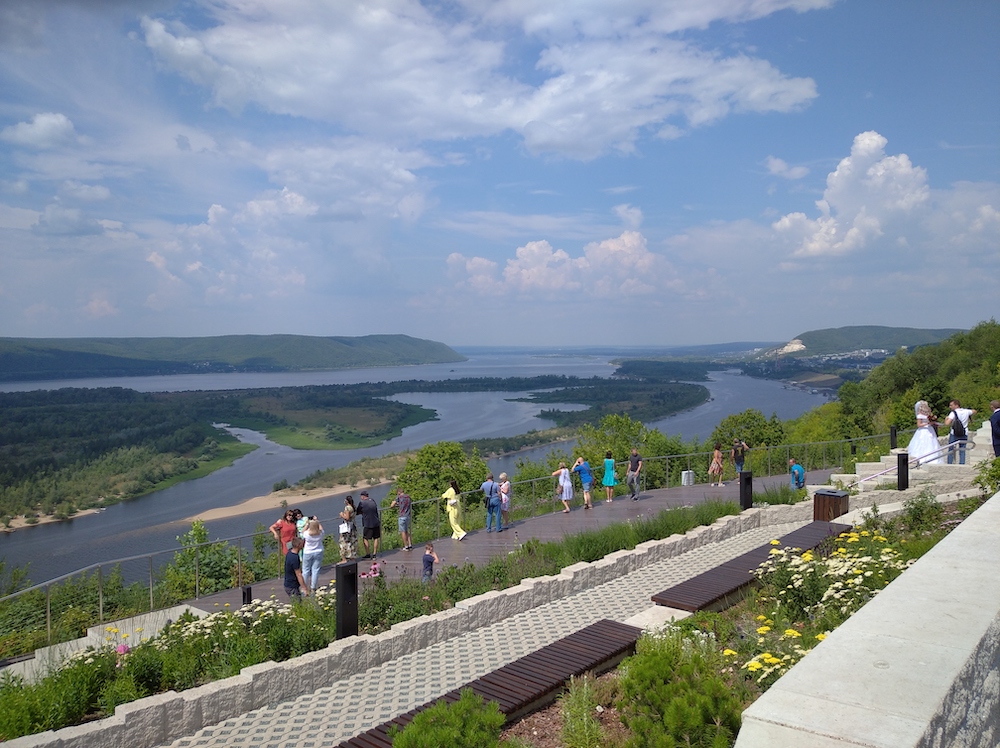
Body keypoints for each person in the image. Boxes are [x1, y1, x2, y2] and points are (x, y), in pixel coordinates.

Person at [907, 400, 944, 465]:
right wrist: (927, 423)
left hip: (929, 429)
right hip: (923, 430)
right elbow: (919, 425)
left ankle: (932, 458)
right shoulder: (919, 415)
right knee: (922, 443)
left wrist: (933, 421)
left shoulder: (929, 414)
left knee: (932, 443)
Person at [945, 399, 976, 465]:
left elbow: (947, 423)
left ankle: (949, 463)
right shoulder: (966, 411)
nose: (950, 407)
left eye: (951, 405)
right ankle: (962, 464)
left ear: (956, 405)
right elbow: (974, 411)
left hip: (954, 433)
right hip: (964, 432)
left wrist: (946, 419)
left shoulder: (953, 413)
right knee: (962, 449)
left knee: (951, 449)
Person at [301, 518, 324, 592]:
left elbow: (302, 531)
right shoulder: (320, 533)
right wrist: (317, 521)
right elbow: (321, 528)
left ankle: (304, 587)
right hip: (318, 551)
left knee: (305, 570)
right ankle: (313, 587)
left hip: (308, 552)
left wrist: (307, 524)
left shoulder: (307, 534)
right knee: (315, 570)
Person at [357, 490, 382, 558]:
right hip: (376, 522)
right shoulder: (372, 500)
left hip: (368, 523)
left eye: (361, 496)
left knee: (365, 538)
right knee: (376, 538)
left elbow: (357, 512)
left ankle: (368, 553)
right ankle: (374, 554)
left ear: (363, 496)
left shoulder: (362, 503)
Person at [338, 496, 358, 561]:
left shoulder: (347, 508)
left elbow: (347, 518)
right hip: (353, 526)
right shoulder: (353, 507)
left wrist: (342, 515)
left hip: (348, 527)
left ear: (347, 501)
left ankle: (344, 558)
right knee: (352, 542)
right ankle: (352, 556)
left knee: (344, 542)